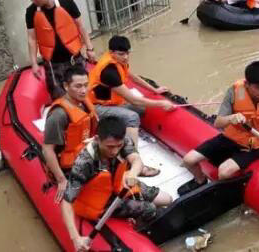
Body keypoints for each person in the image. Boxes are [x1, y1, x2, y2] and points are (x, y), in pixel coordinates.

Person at [178, 61, 259, 195]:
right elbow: (218, 123)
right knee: (188, 160)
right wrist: (231, 118)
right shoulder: (233, 92)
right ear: (247, 84)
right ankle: (200, 180)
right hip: (230, 138)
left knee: (224, 172)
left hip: (256, 145)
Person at [61, 115, 172, 252]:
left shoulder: (123, 141)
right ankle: (140, 231)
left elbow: (136, 160)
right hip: (99, 201)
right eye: (110, 147)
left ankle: (136, 216)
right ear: (97, 139)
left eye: (118, 146)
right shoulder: (84, 163)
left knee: (167, 199)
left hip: (119, 184)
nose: (114, 151)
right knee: (150, 209)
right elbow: (66, 202)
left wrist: (132, 173)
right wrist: (75, 238)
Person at [88, 35, 176, 177]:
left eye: (127, 53)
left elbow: (133, 77)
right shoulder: (109, 72)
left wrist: (154, 90)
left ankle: (126, 140)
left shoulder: (117, 62)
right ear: (112, 52)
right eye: (121, 54)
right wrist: (161, 103)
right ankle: (134, 163)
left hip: (110, 104)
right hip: (96, 108)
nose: (126, 57)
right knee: (132, 116)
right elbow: (133, 100)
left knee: (140, 110)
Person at [25, 0, 97, 99]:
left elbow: (81, 27)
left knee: (84, 93)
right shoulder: (31, 11)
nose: (33, 1)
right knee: (59, 97)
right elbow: (32, 39)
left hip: (74, 58)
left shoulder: (67, 2)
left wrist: (90, 48)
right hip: (53, 64)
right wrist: (34, 63)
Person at [42, 65, 97, 204]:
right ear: (66, 86)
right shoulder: (58, 115)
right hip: (68, 166)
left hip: (86, 153)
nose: (84, 90)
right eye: (78, 86)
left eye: (86, 85)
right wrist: (61, 179)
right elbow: (47, 149)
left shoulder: (82, 102)